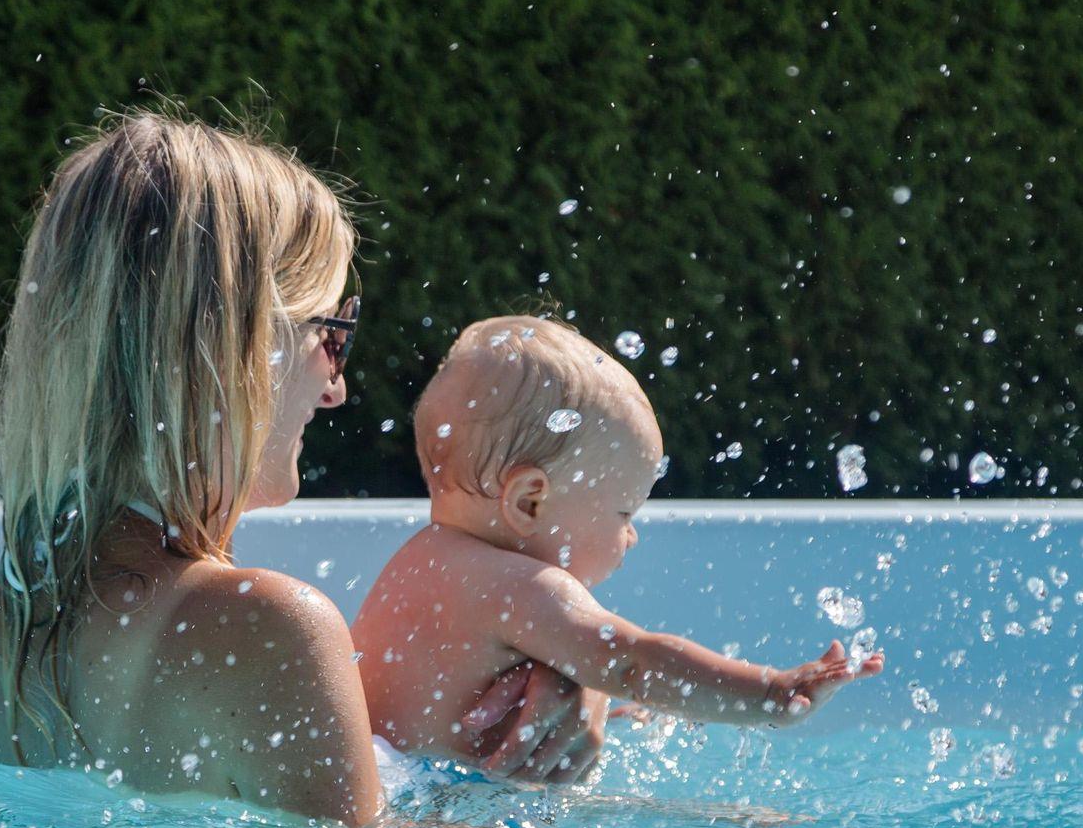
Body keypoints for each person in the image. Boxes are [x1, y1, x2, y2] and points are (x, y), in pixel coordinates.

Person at [0, 111, 604, 828]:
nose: (337, 388)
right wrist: (527, 794)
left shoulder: (14, 619)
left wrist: (562, 662)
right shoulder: (269, 627)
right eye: (333, 335)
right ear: (230, 348)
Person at [352, 316, 884, 763]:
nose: (632, 536)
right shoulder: (525, 587)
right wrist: (771, 693)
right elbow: (635, 663)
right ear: (529, 501)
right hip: (446, 819)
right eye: (624, 512)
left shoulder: (416, 562)